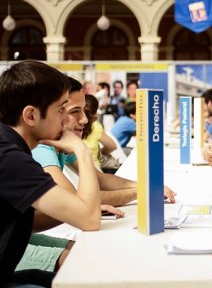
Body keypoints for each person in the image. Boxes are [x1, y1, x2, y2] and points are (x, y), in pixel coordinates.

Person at [0, 60, 101, 287]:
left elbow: (27, 220)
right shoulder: (10, 157)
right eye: (61, 109)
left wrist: (73, 208)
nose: (68, 120)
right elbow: (90, 219)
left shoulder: (11, 147)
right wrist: (81, 150)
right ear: (31, 116)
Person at [32, 77, 176, 209]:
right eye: (75, 111)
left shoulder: (60, 143)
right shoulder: (41, 148)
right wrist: (142, 191)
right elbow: (78, 202)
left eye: (83, 110)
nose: (85, 120)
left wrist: (147, 186)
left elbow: (100, 179)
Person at [83, 94, 117, 172]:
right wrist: (100, 152)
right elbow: (112, 146)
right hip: (95, 171)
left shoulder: (68, 128)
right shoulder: (95, 126)